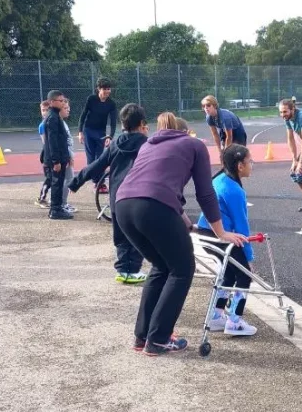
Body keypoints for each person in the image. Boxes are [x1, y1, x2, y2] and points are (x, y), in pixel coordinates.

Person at [115, 112, 248, 356]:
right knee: (182, 269)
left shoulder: (149, 144)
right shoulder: (194, 145)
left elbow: (157, 185)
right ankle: (159, 339)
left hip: (123, 206)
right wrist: (220, 232)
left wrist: (184, 220)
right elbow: (205, 193)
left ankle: (142, 336)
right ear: (186, 132)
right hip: (154, 207)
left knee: (161, 266)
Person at [69, 103, 149, 285]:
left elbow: (97, 165)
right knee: (138, 233)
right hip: (137, 195)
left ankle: (123, 269)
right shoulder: (146, 144)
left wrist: (75, 182)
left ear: (123, 123)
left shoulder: (115, 144)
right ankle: (133, 269)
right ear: (142, 123)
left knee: (120, 232)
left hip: (117, 196)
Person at [198, 145, 259, 337]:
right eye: (250, 161)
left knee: (230, 273)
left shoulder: (220, 178)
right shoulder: (234, 190)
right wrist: (248, 258)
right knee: (244, 275)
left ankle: (217, 316)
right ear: (240, 165)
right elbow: (242, 226)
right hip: (219, 235)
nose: (252, 165)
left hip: (206, 231)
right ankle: (234, 321)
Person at [78, 77, 118, 193]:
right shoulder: (91, 99)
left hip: (101, 133)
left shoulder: (111, 103)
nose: (107, 91)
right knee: (91, 159)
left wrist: (110, 136)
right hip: (88, 131)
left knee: (100, 158)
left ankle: (100, 182)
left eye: (109, 89)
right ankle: (97, 183)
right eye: (104, 89)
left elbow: (113, 122)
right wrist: (80, 132)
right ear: (98, 89)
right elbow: (83, 115)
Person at [43, 90, 74, 220]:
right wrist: (56, 161)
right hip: (56, 159)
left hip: (61, 158)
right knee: (56, 184)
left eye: (63, 100)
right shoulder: (52, 118)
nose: (63, 103)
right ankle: (55, 209)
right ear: (51, 102)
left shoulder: (56, 116)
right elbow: (52, 141)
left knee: (59, 182)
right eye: (60, 101)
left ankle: (58, 207)